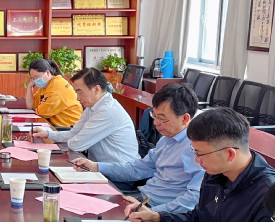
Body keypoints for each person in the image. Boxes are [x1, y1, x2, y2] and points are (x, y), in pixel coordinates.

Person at [126, 107, 275, 222]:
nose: (197, 160)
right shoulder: (216, 174)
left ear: (230, 154)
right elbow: (199, 220)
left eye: (200, 154)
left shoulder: (273, 197)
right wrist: (157, 217)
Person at [72, 82, 204, 214]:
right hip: (142, 199)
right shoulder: (166, 139)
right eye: (154, 116)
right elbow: (138, 168)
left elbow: (194, 198)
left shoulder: (197, 148)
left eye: (162, 119)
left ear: (184, 119)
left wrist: (154, 213)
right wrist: (96, 166)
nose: (155, 123)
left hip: (162, 212)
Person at [32, 68, 138, 164]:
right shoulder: (92, 106)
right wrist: (47, 134)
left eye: (80, 93)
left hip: (118, 172)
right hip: (98, 166)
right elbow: (74, 133)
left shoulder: (106, 111)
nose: (78, 98)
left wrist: (69, 140)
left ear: (96, 89)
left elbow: (76, 144)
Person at [24, 59, 82, 127]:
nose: (35, 81)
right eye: (33, 78)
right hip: (58, 126)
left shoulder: (56, 87)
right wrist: (30, 87)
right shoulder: (47, 85)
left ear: (48, 72)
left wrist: (37, 109)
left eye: (37, 77)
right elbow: (31, 106)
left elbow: (41, 113)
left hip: (69, 127)